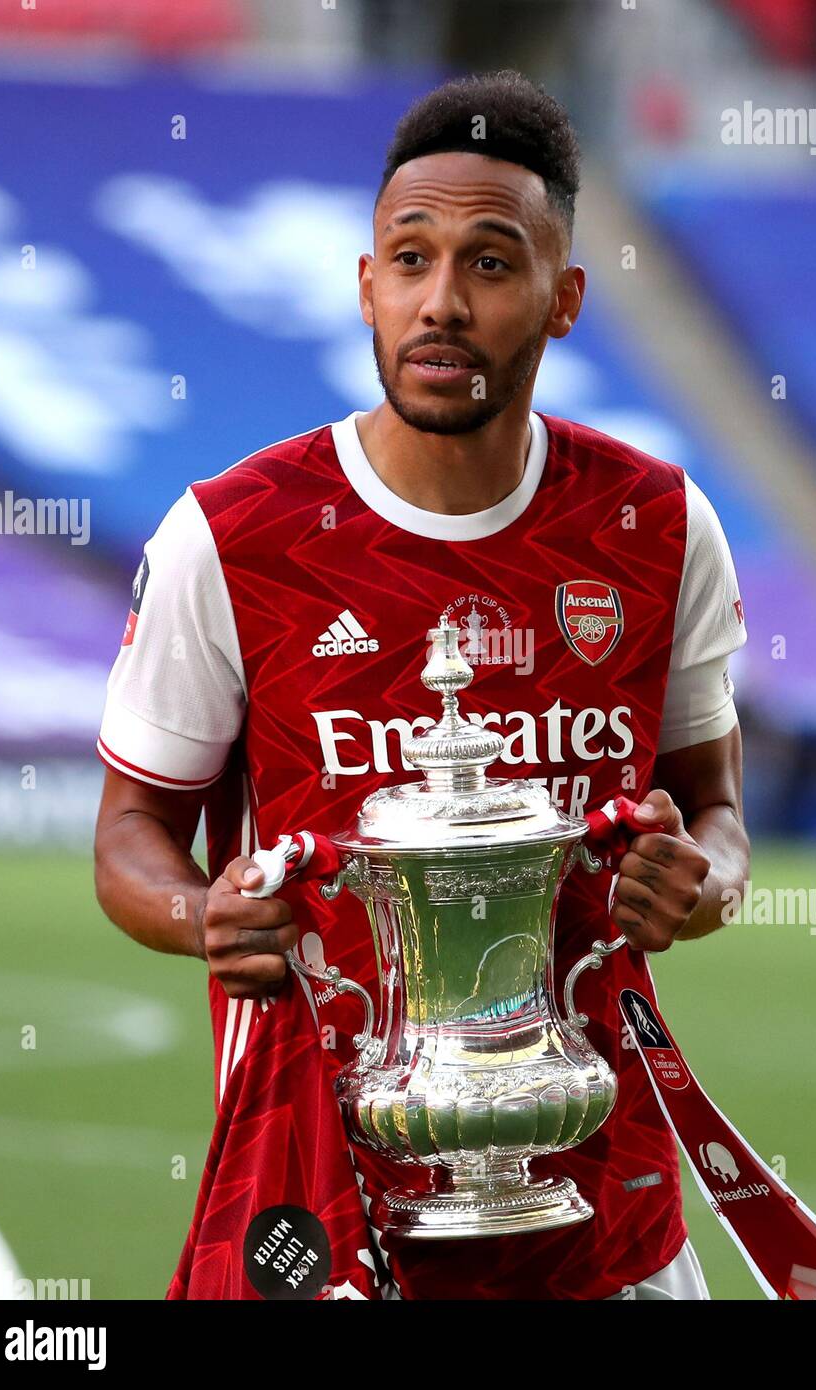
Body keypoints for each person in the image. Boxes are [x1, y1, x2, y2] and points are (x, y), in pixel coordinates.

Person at [93, 68, 750, 1300]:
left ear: (562, 301)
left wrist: (701, 877)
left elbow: (713, 813)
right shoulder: (233, 538)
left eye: (490, 265)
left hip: (605, 1216)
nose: (439, 302)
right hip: (323, 1208)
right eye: (408, 259)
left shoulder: (656, 527)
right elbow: (130, 836)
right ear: (363, 286)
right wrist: (204, 916)